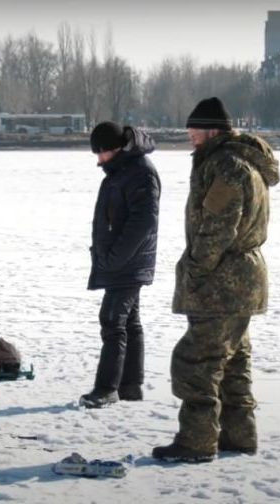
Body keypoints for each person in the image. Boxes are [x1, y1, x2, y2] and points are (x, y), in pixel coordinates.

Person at [152, 97, 280, 463]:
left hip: (223, 282)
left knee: (197, 361)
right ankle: (239, 436)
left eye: (194, 131)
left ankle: (196, 441)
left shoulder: (227, 165)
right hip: (242, 279)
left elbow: (218, 227)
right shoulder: (239, 163)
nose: (190, 137)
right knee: (233, 360)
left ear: (214, 130)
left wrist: (195, 269)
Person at [80, 121, 162, 409]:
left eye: (100, 154)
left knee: (113, 319)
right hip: (123, 260)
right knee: (129, 321)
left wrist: (115, 257)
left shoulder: (139, 172)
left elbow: (143, 222)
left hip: (128, 262)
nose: (98, 160)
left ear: (114, 149)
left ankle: (107, 388)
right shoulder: (122, 170)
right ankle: (130, 387)